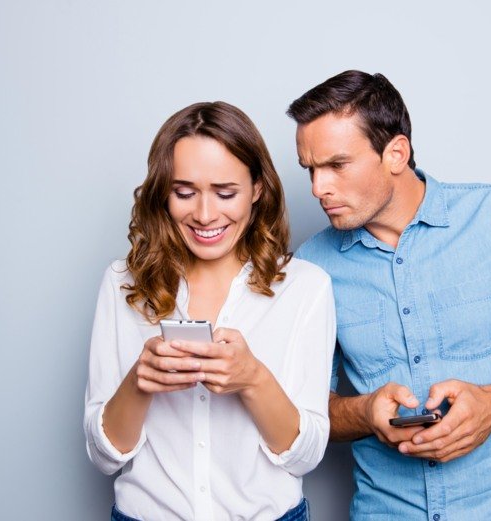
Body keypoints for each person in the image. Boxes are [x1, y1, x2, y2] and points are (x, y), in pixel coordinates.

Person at [288, 71, 491, 520]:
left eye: (337, 165)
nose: (318, 188)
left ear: (396, 153)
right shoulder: (310, 267)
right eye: (310, 169)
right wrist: (366, 413)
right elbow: (304, 415)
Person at [84, 101, 335, 521]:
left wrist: (252, 378)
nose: (204, 214)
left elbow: (304, 456)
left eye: (225, 193)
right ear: (163, 192)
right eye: (184, 192)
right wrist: (139, 382)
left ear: (257, 189)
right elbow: (103, 456)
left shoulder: (306, 287)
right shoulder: (121, 283)